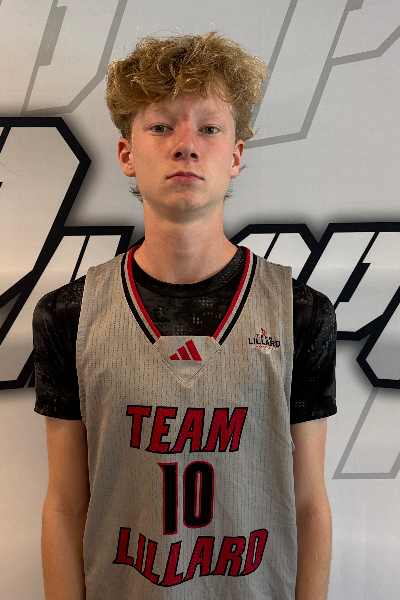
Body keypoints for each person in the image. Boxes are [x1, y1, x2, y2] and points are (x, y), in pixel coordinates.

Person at [33, 31, 336, 600]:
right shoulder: (68, 314)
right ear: (127, 153)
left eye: (210, 128)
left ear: (236, 155)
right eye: (161, 126)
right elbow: (66, 505)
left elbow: (309, 506)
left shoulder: (301, 312)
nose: (186, 146)